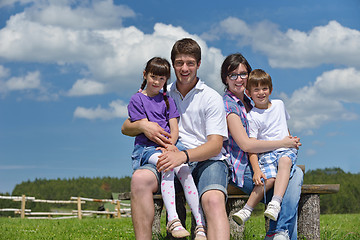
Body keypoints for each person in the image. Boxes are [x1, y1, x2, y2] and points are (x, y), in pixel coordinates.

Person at [122, 38, 230, 240]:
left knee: (213, 199)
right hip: (167, 155)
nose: (185, 68)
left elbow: (216, 145)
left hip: (206, 160)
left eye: (190, 63)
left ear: (198, 64)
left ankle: (201, 227)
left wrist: (183, 156)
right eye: (179, 63)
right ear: (173, 65)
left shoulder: (211, 97)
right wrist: (143, 125)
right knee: (139, 180)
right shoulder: (162, 91)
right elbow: (126, 127)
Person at [221, 53, 303, 240]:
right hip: (243, 168)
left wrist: (290, 140)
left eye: (243, 74)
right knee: (294, 177)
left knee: (293, 174)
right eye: (233, 75)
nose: (239, 79)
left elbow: (276, 128)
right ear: (225, 78)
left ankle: (279, 233)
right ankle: (279, 232)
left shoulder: (251, 103)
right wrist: (284, 143)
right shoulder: (228, 105)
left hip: (265, 160)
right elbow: (246, 144)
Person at [126, 57, 206, 239]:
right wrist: (165, 149)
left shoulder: (167, 100)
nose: (157, 82)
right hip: (148, 149)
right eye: (153, 76)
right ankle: (173, 219)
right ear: (145, 75)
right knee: (167, 164)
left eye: (162, 79)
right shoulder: (137, 100)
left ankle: (200, 224)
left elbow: (174, 128)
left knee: (184, 169)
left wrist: (171, 146)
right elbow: (146, 129)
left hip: (171, 145)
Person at [232, 68, 298, 226]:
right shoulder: (252, 117)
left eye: (264, 88)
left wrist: (291, 141)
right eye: (256, 89)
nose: (261, 93)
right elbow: (251, 147)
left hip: (285, 150)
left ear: (271, 89)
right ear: (248, 92)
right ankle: (247, 209)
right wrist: (256, 169)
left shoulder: (279, 105)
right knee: (267, 180)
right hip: (266, 154)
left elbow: (284, 126)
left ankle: (275, 203)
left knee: (285, 162)